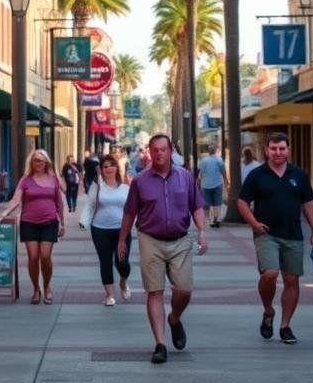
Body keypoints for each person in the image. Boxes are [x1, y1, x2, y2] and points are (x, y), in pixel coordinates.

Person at [118, 133, 207, 364]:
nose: (159, 153)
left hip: (180, 240)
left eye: (163, 149)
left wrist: (202, 231)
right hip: (150, 239)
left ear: (170, 151)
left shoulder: (185, 177)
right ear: (149, 151)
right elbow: (130, 212)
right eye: (155, 149)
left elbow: (196, 206)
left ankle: (175, 318)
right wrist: (122, 239)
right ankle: (160, 343)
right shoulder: (140, 180)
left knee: (184, 290)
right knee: (154, 291)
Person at [237, 132, 313, 346]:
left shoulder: (299, 175)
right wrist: (254, 223)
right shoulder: (257, 175)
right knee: (270, 274)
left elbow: (308, 203)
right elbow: (242, 202)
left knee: (291, 280)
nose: (278, 152)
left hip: (293, 235)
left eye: (282, 148)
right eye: (274, 148)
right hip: (266, 234)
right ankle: (268, 310)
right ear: (266, 150)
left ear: (288, 150)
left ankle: (285, 326)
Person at [0, 149, 66, 304]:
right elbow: (15, 200)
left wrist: (62, 222)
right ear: (31, 162)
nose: (38, 163)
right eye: (35, 160)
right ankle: (36, 289)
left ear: (46, 162)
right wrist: (4, 213)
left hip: (49, 222)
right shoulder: (25, 180)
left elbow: (59, 201)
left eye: (41, 160)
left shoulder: (53, 179)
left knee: (45, 256)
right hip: (29, 223)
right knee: (33, 257)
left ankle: (47, 286)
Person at [82, 154, 132, 306]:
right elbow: (91, 204)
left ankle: (123, 281)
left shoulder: (126, 187)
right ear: (101, 170)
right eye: (105, 166)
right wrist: (83, 221)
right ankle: (109, 295)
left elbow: (132, 208)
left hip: (122, 230)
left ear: (116, 168)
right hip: (100, 229)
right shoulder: (97, 187)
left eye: (111, 165)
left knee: (122, 262)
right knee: (105, 262)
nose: (109, 168)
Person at [197, 144, 228, 229]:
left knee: (210, 204)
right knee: (217, 203)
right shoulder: (219, 160)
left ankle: (211, 221)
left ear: (208, 151)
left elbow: (200, 173)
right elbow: (223, 171)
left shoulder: (204, 161)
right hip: (217, 184)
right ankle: (217, 220)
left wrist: (198, 182)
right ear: (215, 150)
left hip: (206, 185)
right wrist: (226, 181)